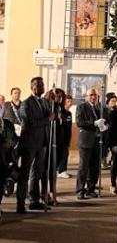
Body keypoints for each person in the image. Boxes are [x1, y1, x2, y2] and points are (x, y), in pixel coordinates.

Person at [16, 77, 54, 213]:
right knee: (25, 173)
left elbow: (51, 114)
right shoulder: (26, 104)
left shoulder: (43, 102)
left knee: (36, 173)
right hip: (29, 143)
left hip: (42, 142)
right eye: (38, 85)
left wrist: (52, 105)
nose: (41, 88)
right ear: (32, 87)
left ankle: (34, 200)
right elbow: (30, 124)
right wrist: (47, 119)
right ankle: (20, 203)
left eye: (42, 85)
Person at [75, 88, 109, 200]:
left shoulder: (101, 108)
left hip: (98, 141)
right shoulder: (81, 107)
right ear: (87, 96)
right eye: (91, 95)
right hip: (86, 140)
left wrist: (106, 126)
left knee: (94, 167)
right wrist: (94, 123)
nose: (93, 97)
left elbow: (108, 120)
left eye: (95, 95)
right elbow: (80, 122)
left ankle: (91, 188)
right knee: (83, 167)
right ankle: (80, 190)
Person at [57, 94, 73, 178]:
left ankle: (63, 169)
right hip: (60, 137)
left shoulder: (69, 113)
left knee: (65, 153)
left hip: (67, 137)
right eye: (68, 101)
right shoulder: (61, 112)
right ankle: (61, 170)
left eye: (71, 101)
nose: (70, 103)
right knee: (63, 153)